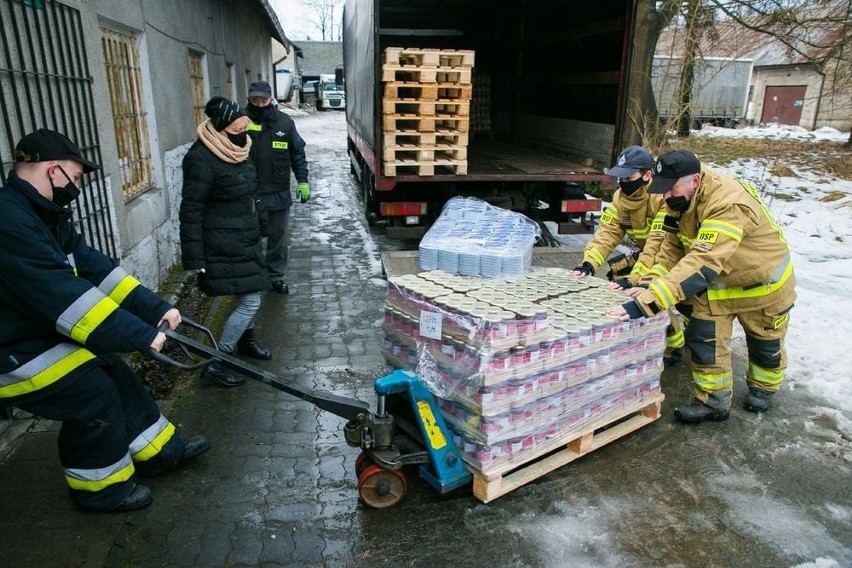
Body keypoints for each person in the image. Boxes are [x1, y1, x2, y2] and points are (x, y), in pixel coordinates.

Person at [0, 129, 209, 512]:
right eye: (75, 177)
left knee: (112, 368)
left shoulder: (42, 214)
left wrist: (155, 309)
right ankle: (99, 491)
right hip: (10, 352)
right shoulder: (9, 222)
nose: (75, 186)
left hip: (32, 336)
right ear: (53, 170)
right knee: (92, 392)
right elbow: (62, 297)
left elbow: (98, 271)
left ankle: (160, 452)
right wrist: (141, 335)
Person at [606, 150, 796, 423]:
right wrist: (649, 283)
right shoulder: (678, 200)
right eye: (662, 190)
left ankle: (763, 388)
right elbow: (672, 248)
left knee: (765, 343)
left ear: (695, 180)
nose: (666, 197)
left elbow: (703, 260)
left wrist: (650, 301)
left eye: (671, 189)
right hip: (717, 287)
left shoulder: (727, 203)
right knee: (705, 341)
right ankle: (713, 402)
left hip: (761, 287)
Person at [180, 97, 273, 387]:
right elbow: (191, 210)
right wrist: (195, 259)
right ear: (223, 127)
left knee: (249, 289)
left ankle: (246, 341)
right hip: (222, 241)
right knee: (250, 300)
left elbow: (251, 191)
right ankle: (217, 361)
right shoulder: (201, 158)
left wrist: (262, 224)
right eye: (240, 124)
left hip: (244, 236)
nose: (246, 128)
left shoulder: (240, 148)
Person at [571, 145, 686, 366]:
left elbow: (658, 244)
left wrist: (635, 279)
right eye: (620, 178)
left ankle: (673, 346)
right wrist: (589, 264)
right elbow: (608, 233)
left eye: (629, 177)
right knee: (620, 279)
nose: (624, 183)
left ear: (647, 175)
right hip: (646, 253)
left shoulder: (662, 197)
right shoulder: (620, 198)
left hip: (670, 255)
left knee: (648, 293)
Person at [245, 80, 310, 295]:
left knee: (278, 239)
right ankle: (252, 279)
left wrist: (302, 180)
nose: (260, 104)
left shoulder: (284, 123)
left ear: (271, 99)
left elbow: (297, 153)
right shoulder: (241, 123)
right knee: (250, 239)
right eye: (255, 100)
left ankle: (276, 277)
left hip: (278, 193)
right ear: (249, 99)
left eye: (264, 100)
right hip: (249, 194)